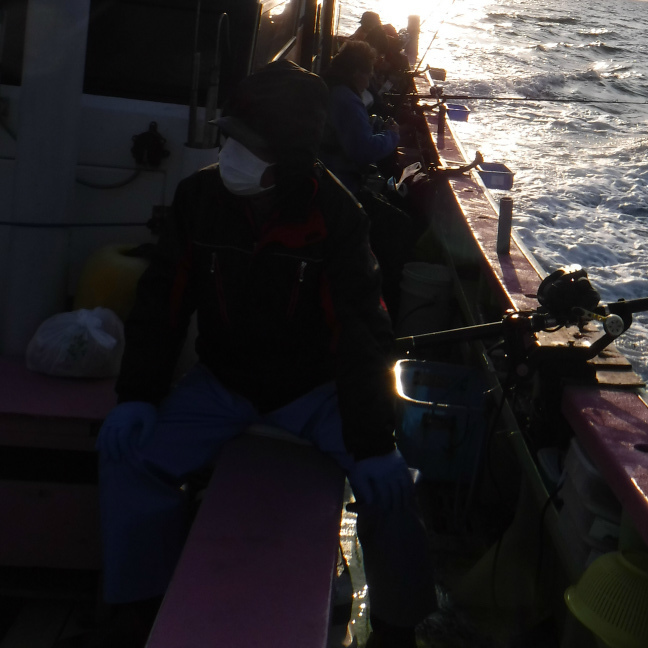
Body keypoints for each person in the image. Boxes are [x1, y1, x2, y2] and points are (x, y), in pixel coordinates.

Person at [94, 60, 435, 648]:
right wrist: (138, 395)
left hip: (316, 392)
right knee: (126, 456)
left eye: (249, 145)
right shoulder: (197, 198)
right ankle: (139, 606)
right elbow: (162, 304)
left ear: (291, 156)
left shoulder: (337, 218)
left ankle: (398, 628)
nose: (231, 154)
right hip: (221, 384)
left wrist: (375, 445)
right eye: (230, 138)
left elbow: (362, 335)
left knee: (393, 489)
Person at [320, 41, 400, 191]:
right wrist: (392, 135)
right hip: (337, 182)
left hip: (324, 170)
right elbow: (364, 150)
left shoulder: (329, 85)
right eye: (369, 76)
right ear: (356, 73)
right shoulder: (347, 100)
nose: (369, 82)